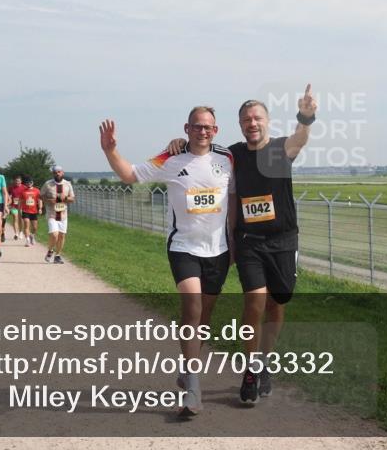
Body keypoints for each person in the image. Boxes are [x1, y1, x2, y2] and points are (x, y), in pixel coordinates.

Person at [99, 106, 234, 418]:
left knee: (204, 317)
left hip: (218, 250)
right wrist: (110, 150)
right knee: (192, 306)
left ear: (216, 130)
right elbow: (129, 175)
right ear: (187, 128)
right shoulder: (170, 157)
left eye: (208, 127)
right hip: (183, 247)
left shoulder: (228, 158)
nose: (203, 131)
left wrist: (236, 244)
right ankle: (193, 388)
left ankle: (188, 369)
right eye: (197, 126)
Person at [230, 86, 316, 404]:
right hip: (249, 242)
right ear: (240, 125)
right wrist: (180, 143)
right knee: (255, 300)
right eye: (246, 119)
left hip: (283, 241)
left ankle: (265, 362)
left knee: (277, 303)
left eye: (257, 118)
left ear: (266, 121)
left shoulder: (281, 149)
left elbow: (301, 138)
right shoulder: (233, 155)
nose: (252, 123)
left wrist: (306, 116)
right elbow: (202, 151)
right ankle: (251, 369)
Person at [42, 166, 74, 264]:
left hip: (63, 215)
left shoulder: (67, 184)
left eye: (59, 172)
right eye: (55, 172)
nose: (57, 174)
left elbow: (72, 199)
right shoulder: (48, 184)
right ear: (53, 174)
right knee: (54, 234)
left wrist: (66, 198)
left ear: (62, 173)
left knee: (62, 236)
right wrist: (49, 200)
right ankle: (50, 250)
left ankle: (58, 256)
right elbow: (41, 196)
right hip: (52, 214)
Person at [20, 175, 42, 246]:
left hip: (34, 211)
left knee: (35, 227)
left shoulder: (37, 190)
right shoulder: (23, 191)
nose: (29, 183)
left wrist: (40, 208)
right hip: (25, 211)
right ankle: (27, 241)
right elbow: (20, 201)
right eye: (27, 182)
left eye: (30, 182)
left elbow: (39, 200)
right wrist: (20, 209)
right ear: (26, 183)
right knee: (26, 224)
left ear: (32, 183)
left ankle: (32, 236)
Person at [7, 175, 25, 241]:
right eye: (16, 181)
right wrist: (8, 203)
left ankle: (21, 232)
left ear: (21, 181)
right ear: (14, 181)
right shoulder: (11, 188)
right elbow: (8, 195)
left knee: (21, 219)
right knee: (15, 217)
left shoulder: (24, 187)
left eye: (18, 181)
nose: (17, 182)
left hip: (22, 206)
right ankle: (16, 233)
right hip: (14, 206)